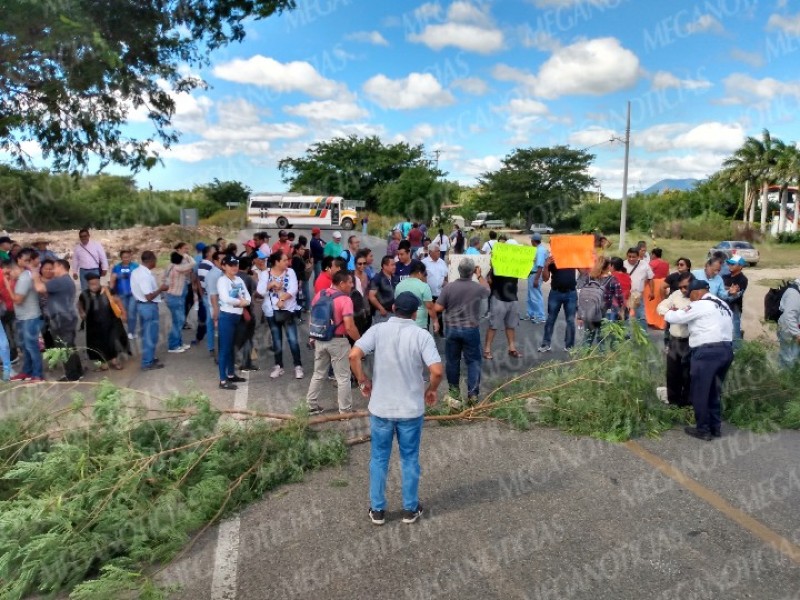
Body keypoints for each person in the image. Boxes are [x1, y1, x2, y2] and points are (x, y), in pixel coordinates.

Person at [350, 291, 443, 526]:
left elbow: (354, 355)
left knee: (379, 458)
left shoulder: (378, 330)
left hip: (381, 408)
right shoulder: (421, 336)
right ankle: (410, 509)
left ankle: (378, 510)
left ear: (393, 307)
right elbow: (437, 371)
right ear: (415, 313)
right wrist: (431, 390)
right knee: (410, 458)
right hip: (410, 410)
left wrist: (363, 381)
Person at [664, 279, 734, 441]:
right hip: (725, 351)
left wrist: (665, 311)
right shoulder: (723, 305)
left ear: (696, 293)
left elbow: (676, 317)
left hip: (707, 353)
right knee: (713, 391)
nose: (691, 299)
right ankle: (715, 427)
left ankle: (703, 429)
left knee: (700, 392)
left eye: (691, 296)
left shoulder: (700, 304)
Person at [434, 258, 490, 407]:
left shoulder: (449, 287)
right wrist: (479, 276)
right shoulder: (477, 288)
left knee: (452, 361)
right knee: (473, 362)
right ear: (472, 272)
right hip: (470, 329)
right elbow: (488, 290)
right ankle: (472, 394)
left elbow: (438, 308)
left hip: (452, 329)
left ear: (458, 271)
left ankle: (454, 393)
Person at [306, 271, 361, 415]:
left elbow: (312, 316)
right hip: (338, 341)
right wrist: (360, 341)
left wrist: (312, 336)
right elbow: (349, 326)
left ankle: (311, 405)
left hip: (320, 338)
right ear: (341, 283)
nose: (351, 285)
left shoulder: (320, 294)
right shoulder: (345, 300)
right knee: (343, 377)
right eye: (349, 282)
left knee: (318, 373)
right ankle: (345, 410)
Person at [258, 250, 303, 379]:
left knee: (293, 340)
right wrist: (271, 284)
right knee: (276, 340)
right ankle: (278, 366)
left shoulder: (290, 272)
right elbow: (260, 291)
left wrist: (282, 299)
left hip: (287, 310)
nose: (287, 262)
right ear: (277, 262)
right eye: (284, 260)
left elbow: (293, 289)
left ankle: (298, 366)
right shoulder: (265, 274)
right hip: (271, 312)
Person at [657, 272, 693, 407]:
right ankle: (673, 402)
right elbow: (660, 307)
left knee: (688, 374)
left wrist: (680, 313)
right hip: (674, 340)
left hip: (689, 341)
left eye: (686, 287)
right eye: (681, 287)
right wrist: (672, 313)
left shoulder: (697, 297)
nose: (684, 290)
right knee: (672, 373)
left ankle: (687, 403)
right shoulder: (676, 294)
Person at [43, 259, 83, 381]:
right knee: (70, 346)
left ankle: (72, 375)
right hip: (67, 317)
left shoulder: (60, 281)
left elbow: (39, 288)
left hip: (61, 319)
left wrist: (33, 273)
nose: (52, 270)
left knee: (64, 347)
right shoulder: (66, 281)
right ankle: (77, 372)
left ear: (60, 266)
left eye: (54, 267)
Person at [9, 248, 45, 382]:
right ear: (18, 260)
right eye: (25, 260)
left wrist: (7, 285)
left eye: (29, 260)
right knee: (25, 346)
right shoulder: (25, 275)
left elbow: (18, 300)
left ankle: (37, 374)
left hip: (29, 317)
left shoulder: (25, 277)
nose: (28, 263)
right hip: (24, 316)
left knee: (31, 346)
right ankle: (27, 371)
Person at [214, 255, 250, 390]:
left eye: (236, 264)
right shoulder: (222, 281)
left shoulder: (239, 279)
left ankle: (230, 374)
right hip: (227, 317)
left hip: (237, 317)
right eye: (231, 265)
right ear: (224, 266)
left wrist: (245, 301)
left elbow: (247, 295)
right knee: (225, 349)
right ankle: (223, 380)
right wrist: (241, 302)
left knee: (232, 348)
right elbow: (225, 298)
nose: (234, 267)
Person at [78, 273, 127, 371]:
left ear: (99, 282)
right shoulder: (84, 294)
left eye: (96, 283)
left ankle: (115, 361)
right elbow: (79, 304)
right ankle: (103, 364)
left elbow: (118, 301)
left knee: (112, 342)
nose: (94, 286)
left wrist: (124, 313)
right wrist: (82, 312)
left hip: (110, 322)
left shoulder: (108, 291)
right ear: (88, 284)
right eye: (91, 284)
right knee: (97, 344)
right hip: (94, 325)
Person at [130, 250, 168, 371]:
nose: (156, 262)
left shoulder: (136, 271)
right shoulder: (144, 276)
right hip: (148, 306)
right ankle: (147, 362)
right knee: (150, 335)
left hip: (141, 306)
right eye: (155, 260)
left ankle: (149, 356)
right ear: (150, 261)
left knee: (146, 334)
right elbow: (149, 296)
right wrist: (161, 289)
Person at [538, 256, 578, 352]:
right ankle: (546, 344)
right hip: (556, 293)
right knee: (551, 319)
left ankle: (569, 346)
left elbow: (584, 272)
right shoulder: (551, 259)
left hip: (571, 293)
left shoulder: (572, 257)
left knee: (570, 320)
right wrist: (546, 265)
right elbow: (545, 278)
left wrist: (581, 258)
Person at [484, 267, 521, 359]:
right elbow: (489, 281)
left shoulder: (516, 263)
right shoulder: (497, 264)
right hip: (498, 298)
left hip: (512, 298)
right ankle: (487, 350)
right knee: (493, 325)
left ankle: (512, 348)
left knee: (511, 325)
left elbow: (525, 272)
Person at [163, 248, 195, 353]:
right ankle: (173, 345)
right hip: (176, 297)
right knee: (178, 321)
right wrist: (186, 255)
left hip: (172, 296)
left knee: (178, 320)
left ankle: (179, 343)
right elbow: (193, 263)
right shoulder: (178, 268)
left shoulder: (170, 266)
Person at [395, 261, 437, 333]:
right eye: (425, 274)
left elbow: (396, 305)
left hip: (401, 324)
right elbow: (430, 307)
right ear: (420, 273)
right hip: (419, 324)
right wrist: (435, 321)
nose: (426, 277)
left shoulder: (399, 285)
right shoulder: (424, 286)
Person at [109, 250, 139, 339]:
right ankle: (124, 331)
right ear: (121, 258)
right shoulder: (117, 267)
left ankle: (131, 332)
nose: (126, 259)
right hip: (121, 293)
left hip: (133, 293)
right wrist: (111, 292)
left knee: (132, 312)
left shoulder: (136, 266)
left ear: (131, 257)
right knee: (123, 313)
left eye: (128, 257)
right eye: (124, 257)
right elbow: (112, 280)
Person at [624, 246, 654, 329]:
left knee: (641, 316)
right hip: (626, 294)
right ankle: (626, 336)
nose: (631, 259)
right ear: (627, 256)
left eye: (634, 257)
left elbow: (650, 278)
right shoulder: (623, 264)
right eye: (629, 256)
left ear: (638, 257)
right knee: (625, 315)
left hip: (638, 294)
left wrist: (652, 291)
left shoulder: (644, 264)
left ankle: (643, 335)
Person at [722, 256, 748, 346]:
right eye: (729, 263)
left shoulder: (743, 279)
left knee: (734, 333)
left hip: (734, 309)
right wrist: (729, 290)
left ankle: (737, 354)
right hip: (722, 308)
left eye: (733, 264)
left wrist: (725, 290)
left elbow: (735, 296)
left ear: (740, 266)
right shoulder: (724, 276)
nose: (730, 265)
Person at [422, 244, 448, 334]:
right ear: (430, 252)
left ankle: (440, 331)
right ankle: (426, 332)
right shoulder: (424, 263)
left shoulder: (442, 262)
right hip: (428, 293)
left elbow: (446, 275)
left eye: (439, 251)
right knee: (428, 313)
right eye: (437, 251)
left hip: (440, 293)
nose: (439, 252)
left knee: (439, 312)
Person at [777, 276, 800, 368]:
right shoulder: (794, 294)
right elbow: (789, 316)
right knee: (790, 358)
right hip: (788, 330)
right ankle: (785, 378)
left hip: (794, 328)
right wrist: (797, 334)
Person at [525, 233, 548, 323]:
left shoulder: (540, 251)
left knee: (536, 296)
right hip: (532, 274)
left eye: (531, 240)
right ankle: (531, 314)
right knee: (530, 296)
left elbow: (540, 266)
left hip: (535, 275)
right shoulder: (538, 249)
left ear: (533, 241)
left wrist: (536, 279)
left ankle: (540, 316)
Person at [369, 256, 396, 324]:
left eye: (395, 264)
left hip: (394, 313)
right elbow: (371, 296)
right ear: (384, 266)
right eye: (392, 265)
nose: (394, 267)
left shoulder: (394, 278)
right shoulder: (377, 278)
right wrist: (381, 308)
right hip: (383, 314)